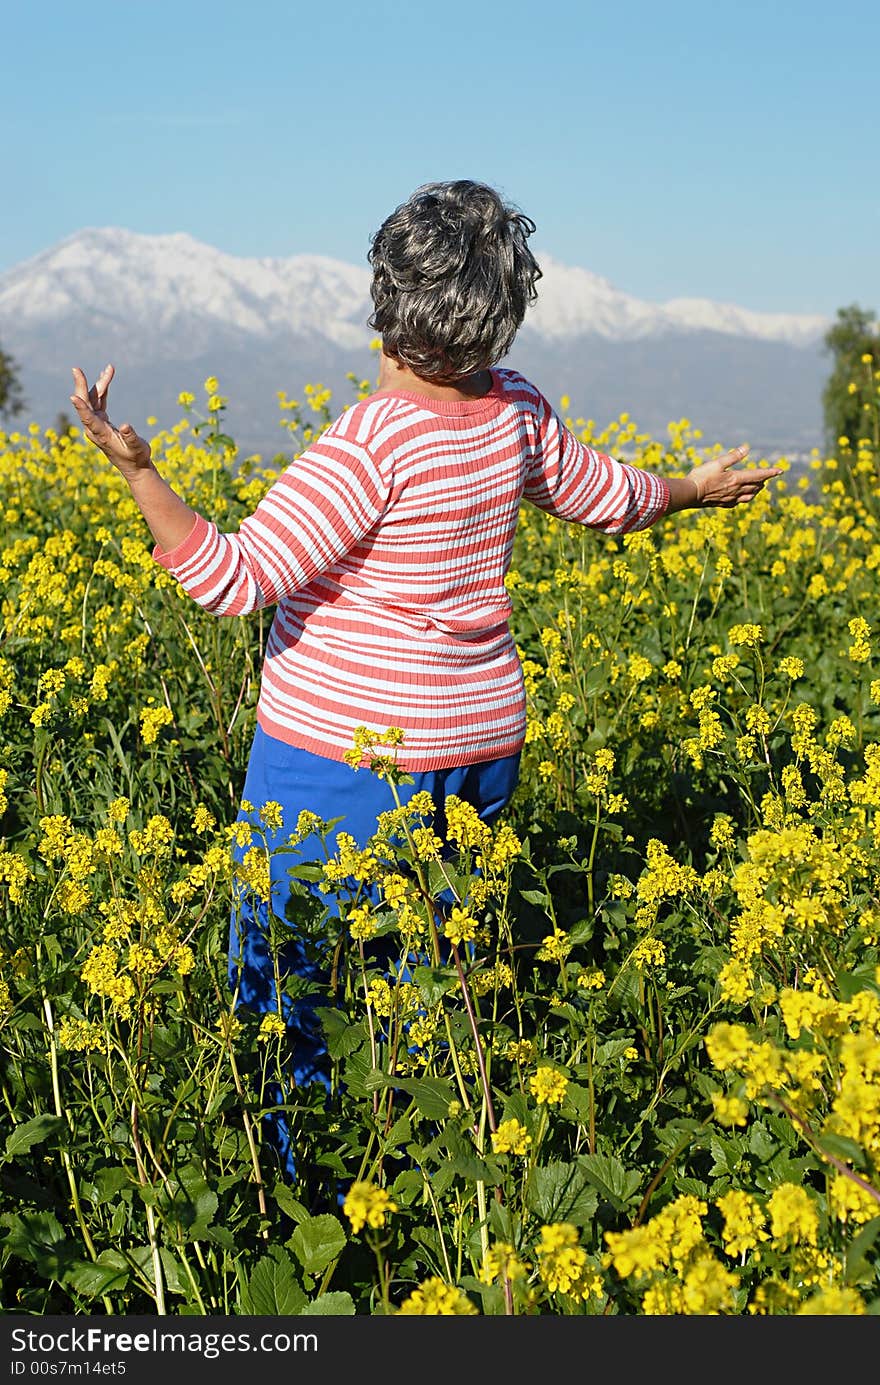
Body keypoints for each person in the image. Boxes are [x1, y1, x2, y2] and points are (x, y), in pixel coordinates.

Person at [69, 179, 782, 1185]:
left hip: (345, 763)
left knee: (293, 986)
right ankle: (432, 1174)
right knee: (432, 979)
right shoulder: (516, 408)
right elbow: (609, 497)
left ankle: (305, 1190)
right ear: (504, 302)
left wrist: (138, 470)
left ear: (387, 293)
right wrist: (697, 487)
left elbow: (233, 581)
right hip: (479, 746)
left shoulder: (370, 443)